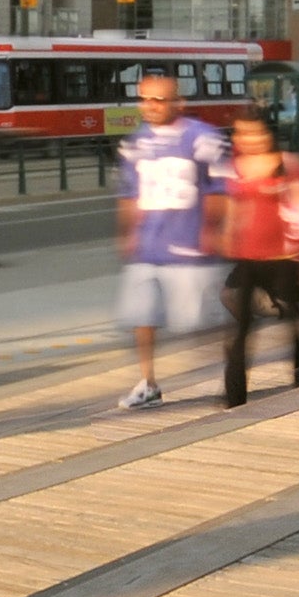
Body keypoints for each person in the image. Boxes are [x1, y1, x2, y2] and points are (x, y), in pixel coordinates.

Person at [111, 70, 232, 410]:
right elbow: (128, 194)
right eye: (144, 98)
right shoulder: (135, 142)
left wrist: (212, 229)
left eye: (158, 99)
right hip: (148, 247)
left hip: (190, 247)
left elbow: (219, 189)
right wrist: (128, 233)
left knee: (201, 323)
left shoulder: (203, 137)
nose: (149, 106)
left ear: (179, 102)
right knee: (142, 316)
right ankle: (148, 383)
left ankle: (231, 371)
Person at [220, 113, 299, 405]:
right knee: (239, 329)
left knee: (294, 323)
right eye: (241, 134)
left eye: (255, 134)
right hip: (248, 260)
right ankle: (234, 395)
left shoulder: (289, 165)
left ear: (268, 134)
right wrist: (227, 238)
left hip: (285, 259)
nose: (248, 141)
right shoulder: (233, 168)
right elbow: (231, 211)